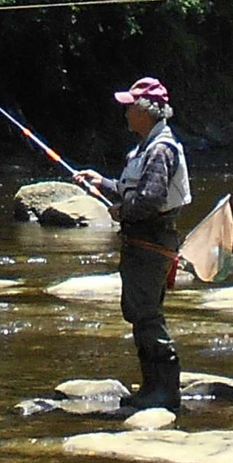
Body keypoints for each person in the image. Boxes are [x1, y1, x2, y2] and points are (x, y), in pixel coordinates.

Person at [73, 77, 192, 412]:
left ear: (147, 111)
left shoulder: (160, 150)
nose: (125, 112)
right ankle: (153, 388)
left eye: (130, 106)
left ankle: (164, 392)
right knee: (140, 313)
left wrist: (120, 211)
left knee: (146, 315)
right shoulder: (146, 148)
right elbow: (137, 194)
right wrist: (102, 183)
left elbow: (150, 200)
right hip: (144, 242)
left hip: (151, 244)